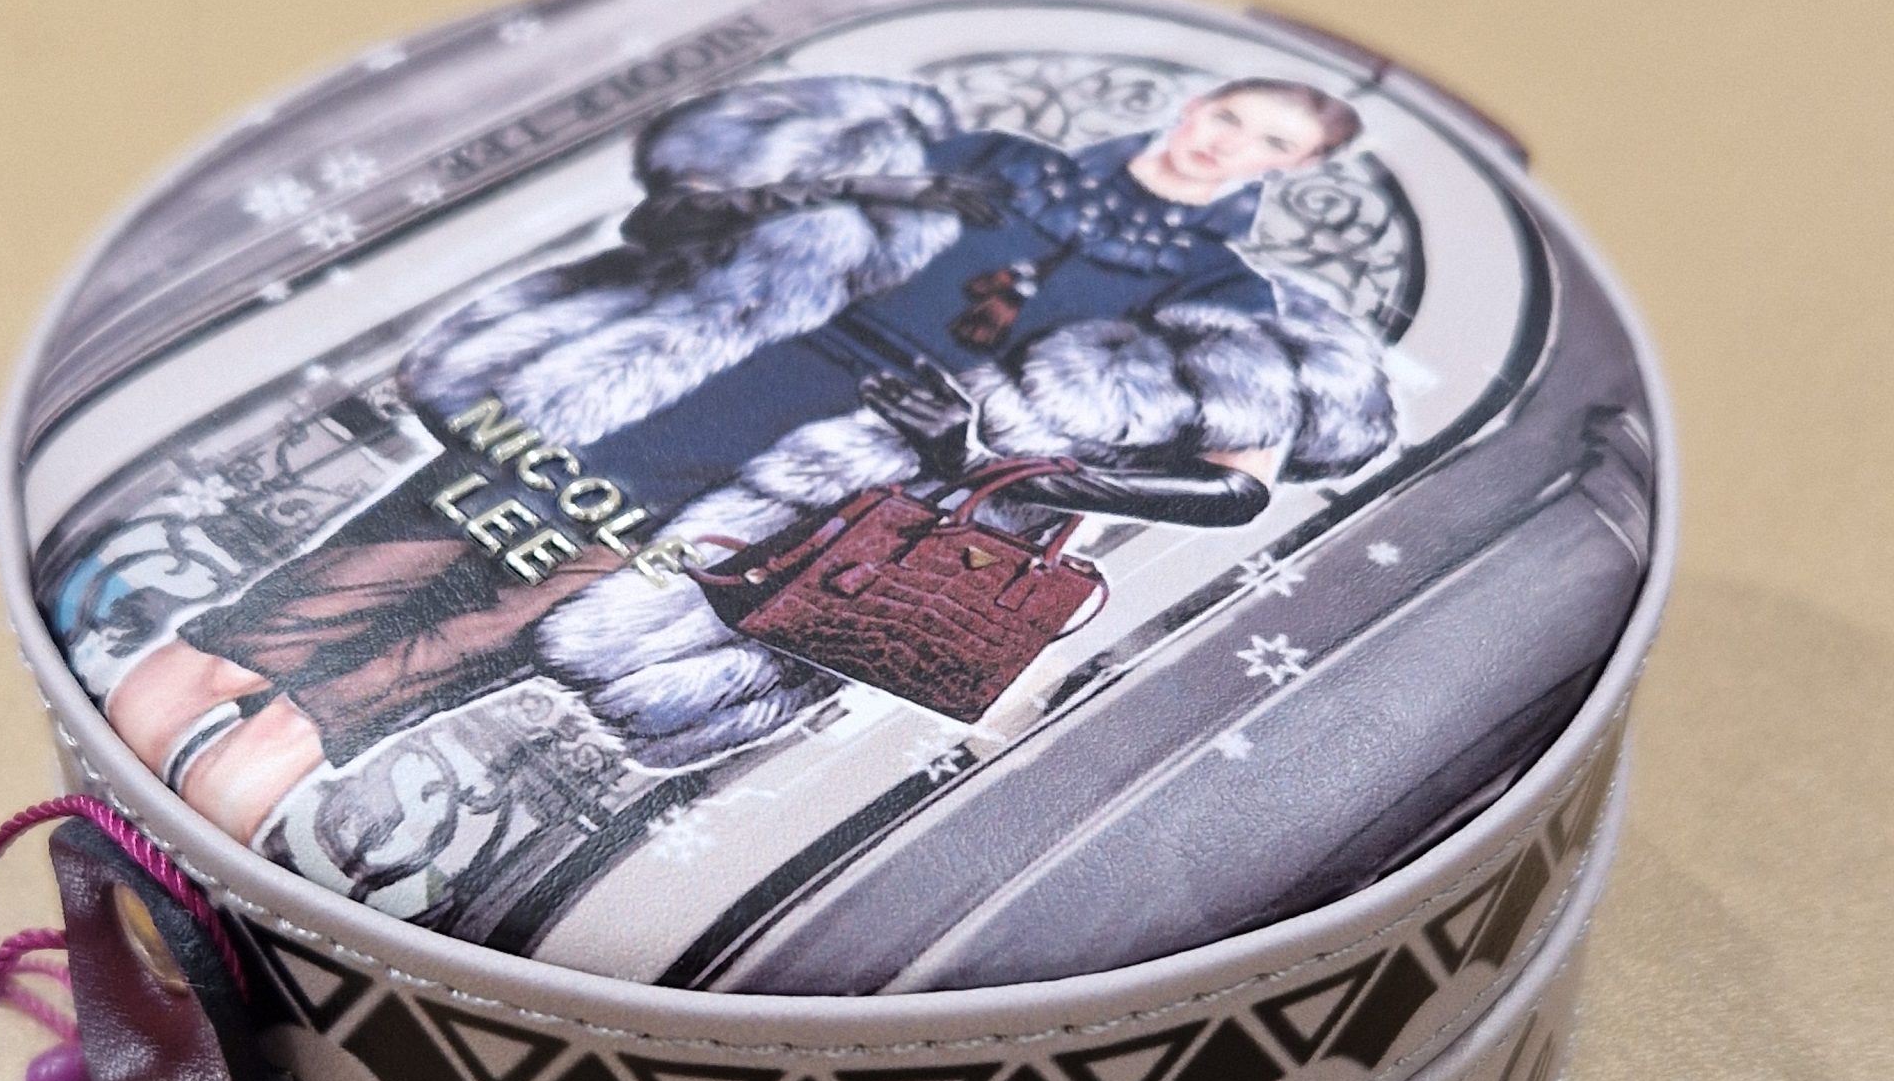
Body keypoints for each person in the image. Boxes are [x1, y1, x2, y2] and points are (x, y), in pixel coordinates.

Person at [106, 69, 1397, 839]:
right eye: (1232, 114)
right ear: (1197, 102)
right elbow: (674, 217)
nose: (1227, 144)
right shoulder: (983, 159)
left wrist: (985, 455)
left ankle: (231, 857)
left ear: (1294, 170)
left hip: (791, 496)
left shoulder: (1222, 298)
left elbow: (1234, 491)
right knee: (293, 612)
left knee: (406, 674)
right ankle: (148, 817)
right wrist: (851, 198)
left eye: (1271, 144)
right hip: (646, 395)